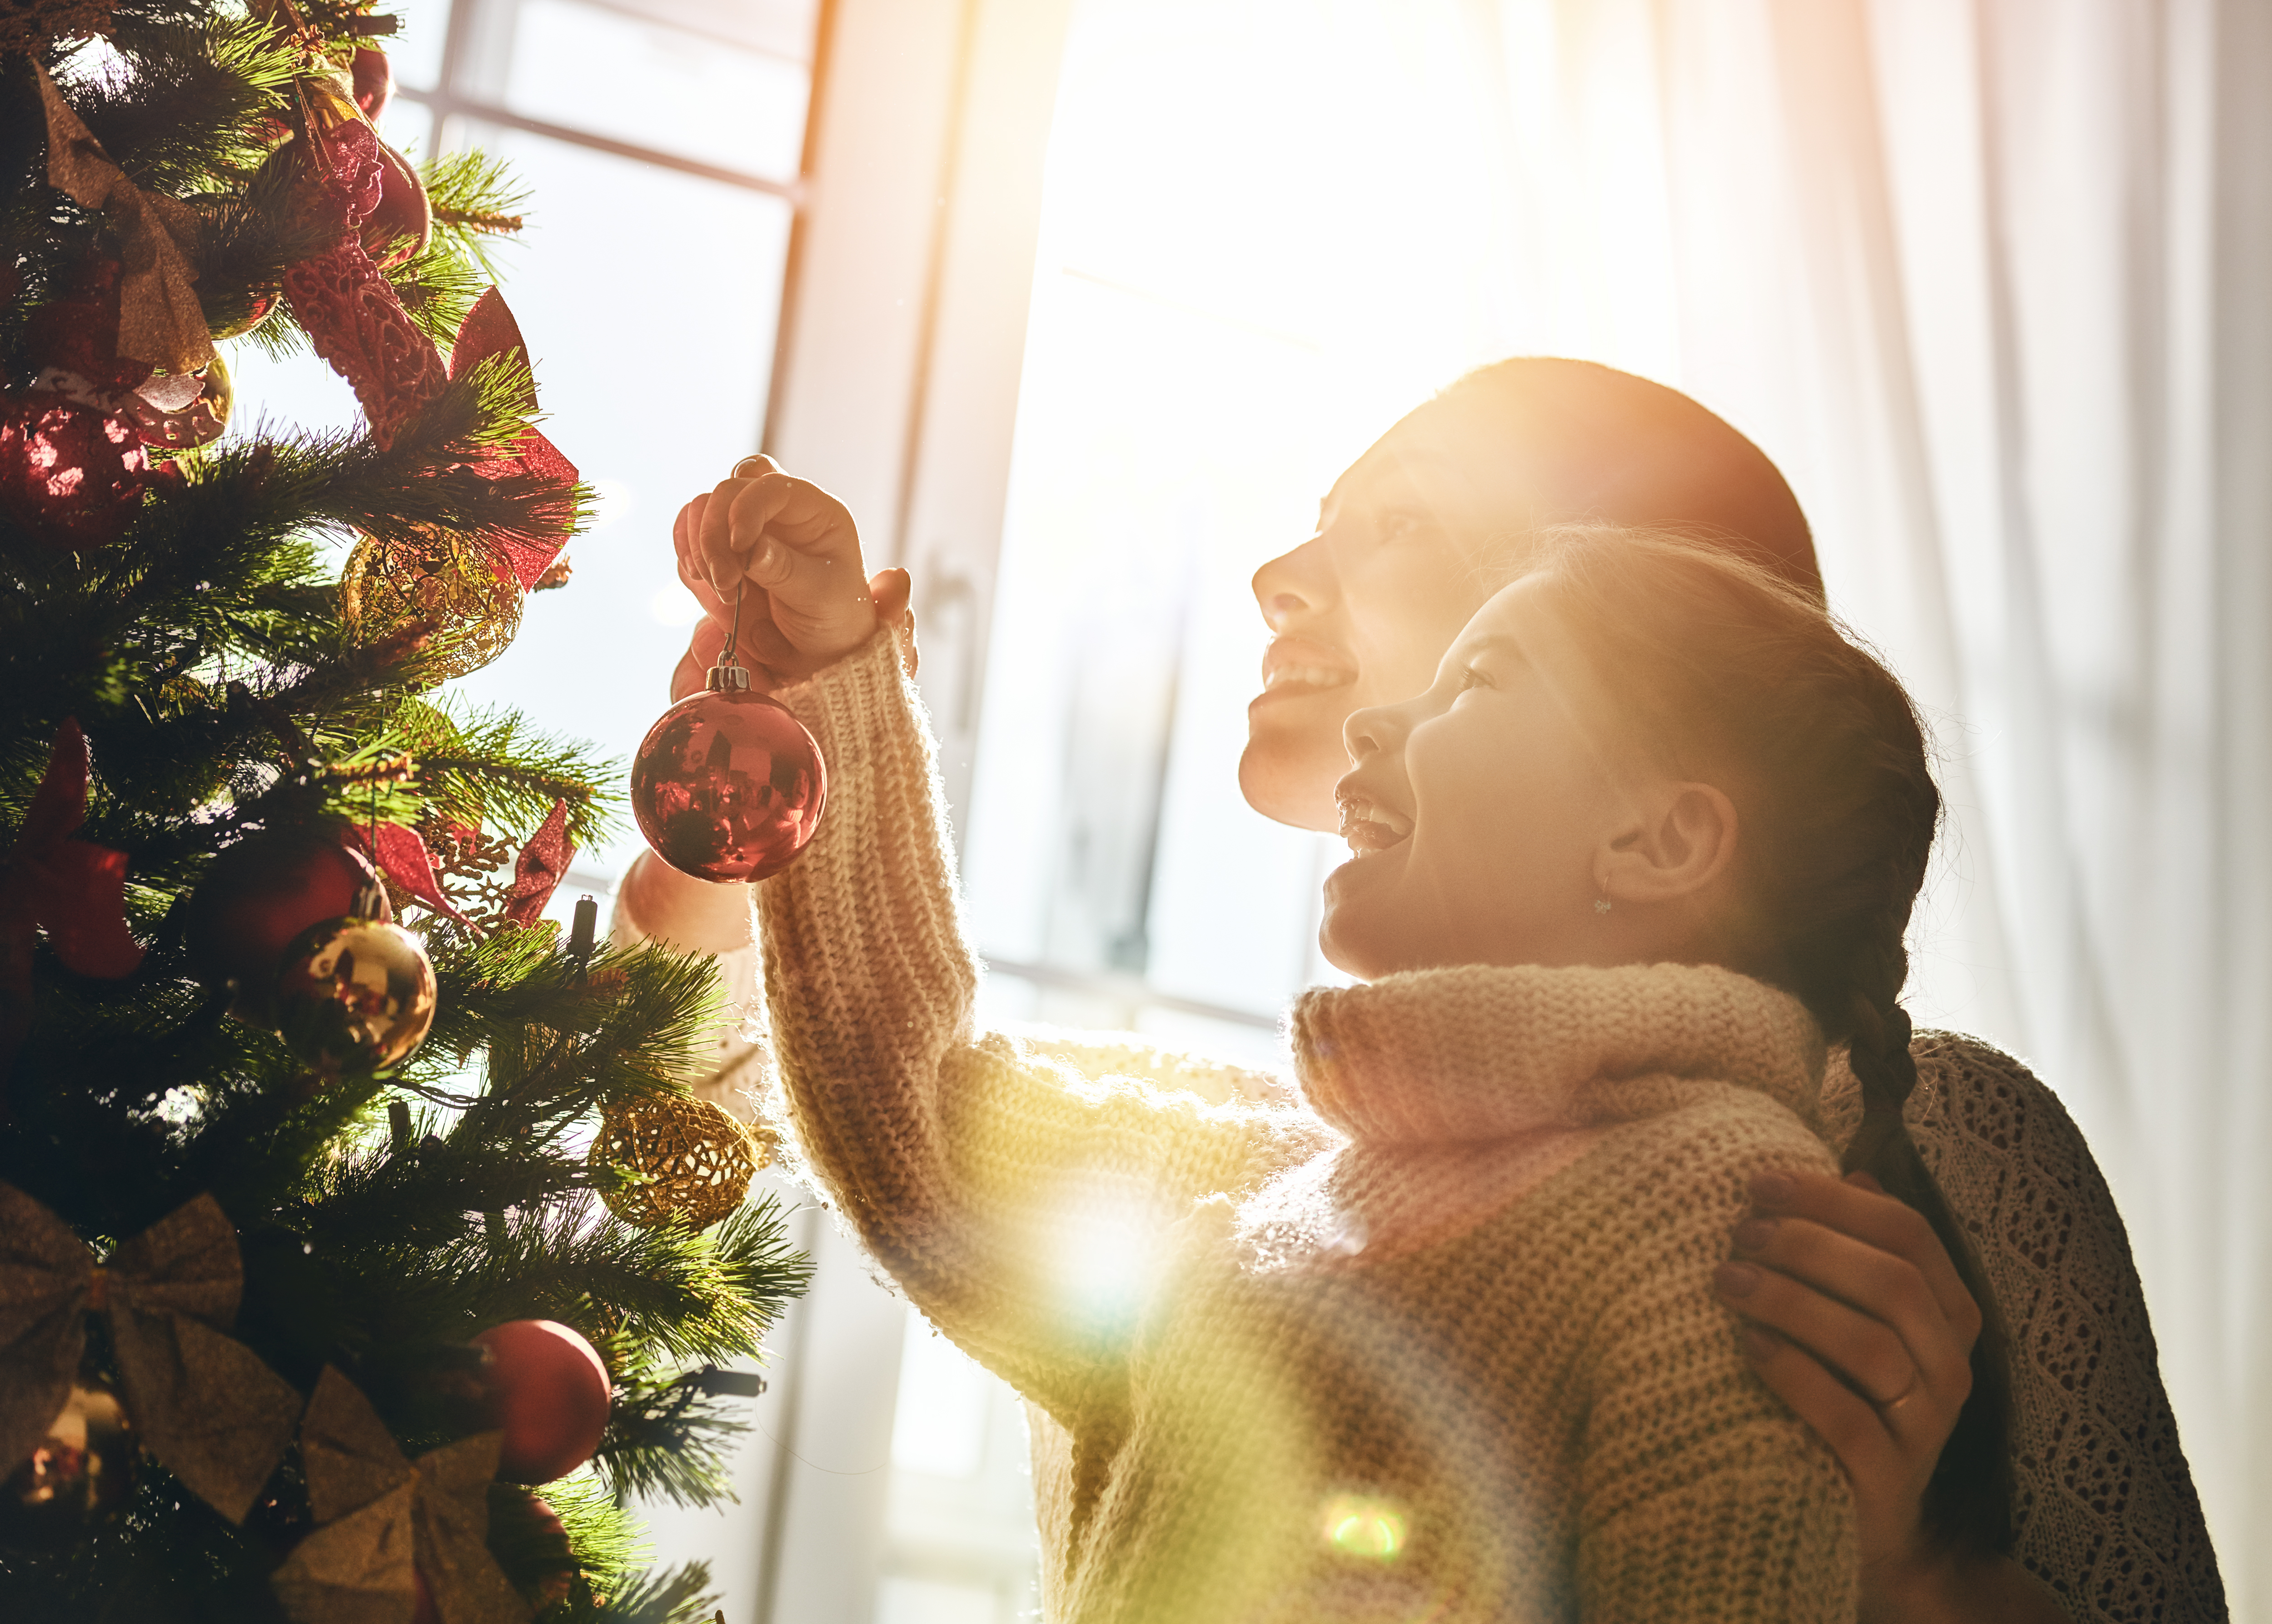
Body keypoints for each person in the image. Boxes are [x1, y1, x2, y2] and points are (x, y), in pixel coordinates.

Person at [617, 363, 2225, 1620]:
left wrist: (1931, 1590)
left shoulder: (1941, 1155)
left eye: (1402, 526)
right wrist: (757, 781)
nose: (1275, 575)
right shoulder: (1269, 1179)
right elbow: (753, 1114)